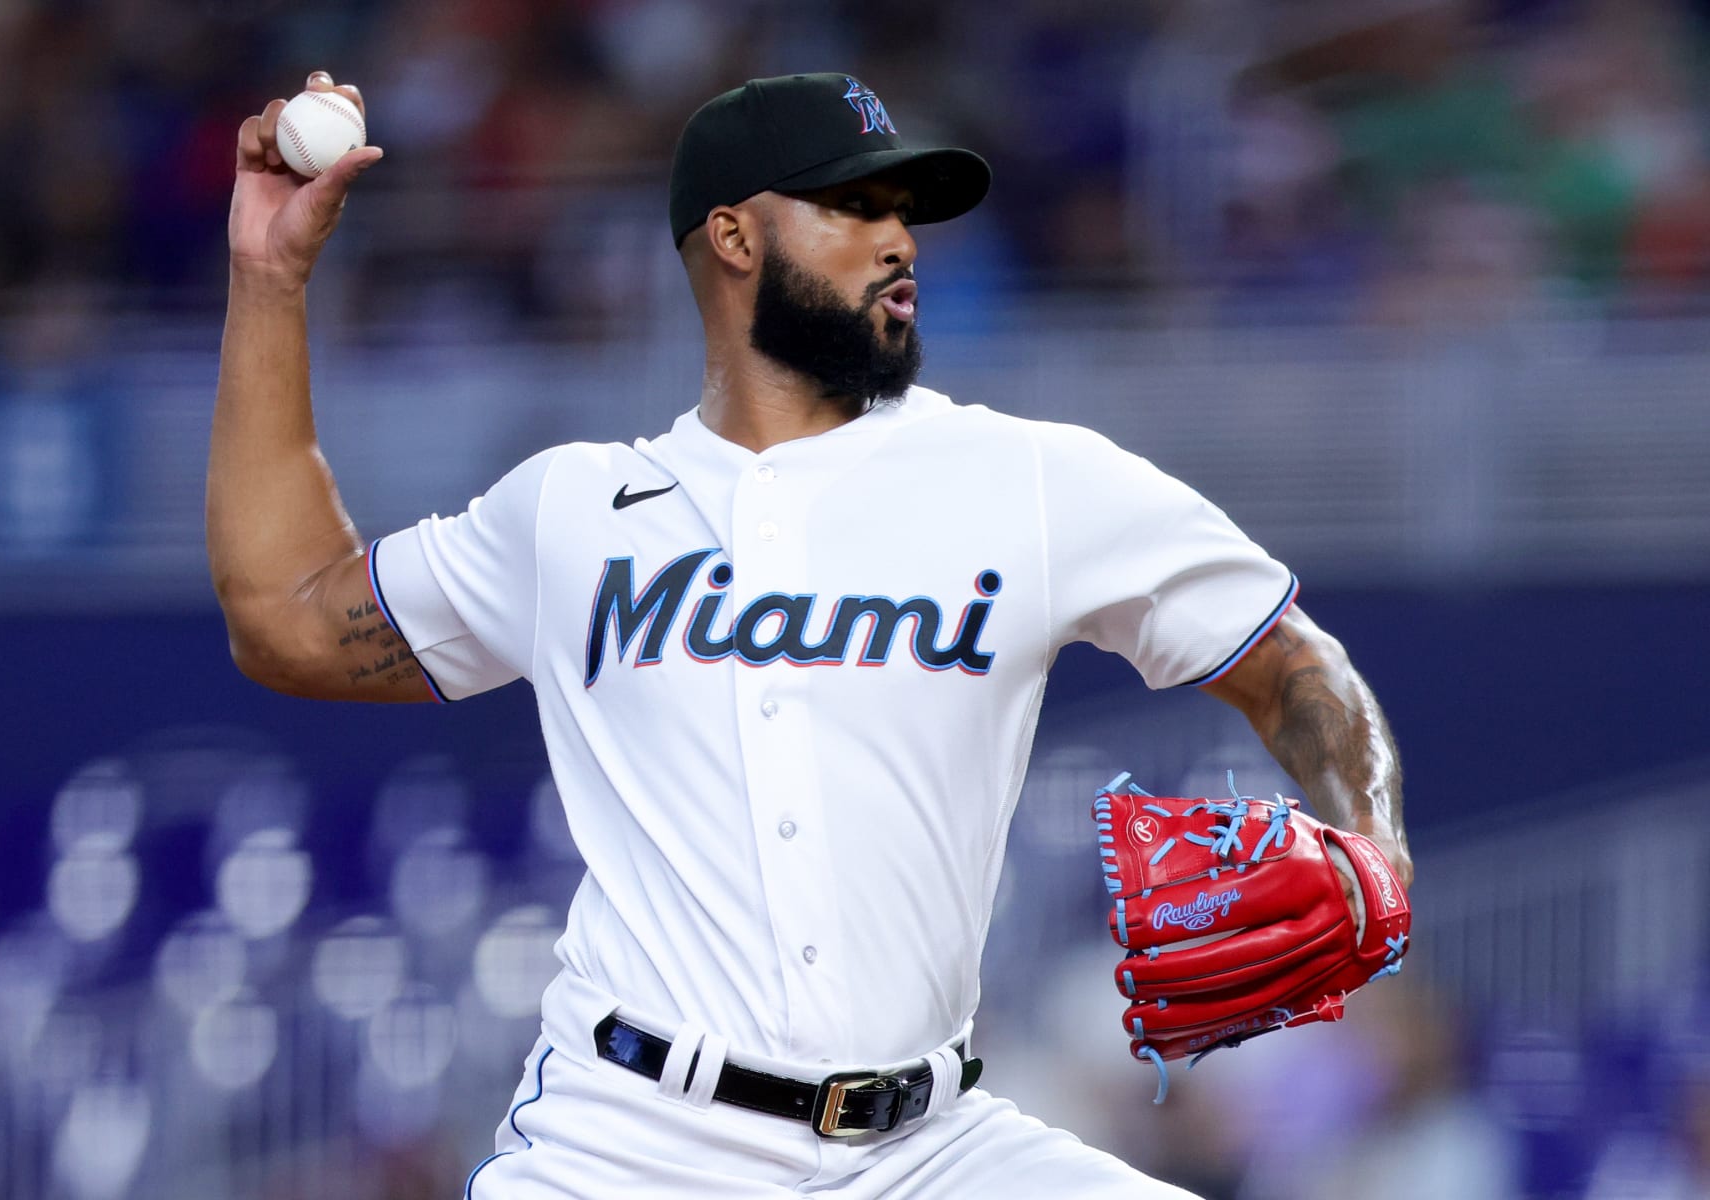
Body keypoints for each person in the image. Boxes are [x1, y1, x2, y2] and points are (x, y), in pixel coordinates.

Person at [210, 69, 1413, 1199]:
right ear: (733, 236)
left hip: (928, 1148)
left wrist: (1374, 838)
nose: (899, 239)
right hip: (629, 1143)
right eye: (852, 204)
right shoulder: (570, 512)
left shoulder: (1031, 482)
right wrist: (270, 277)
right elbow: (290, 624)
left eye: (906, 210)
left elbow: (1293, 662)